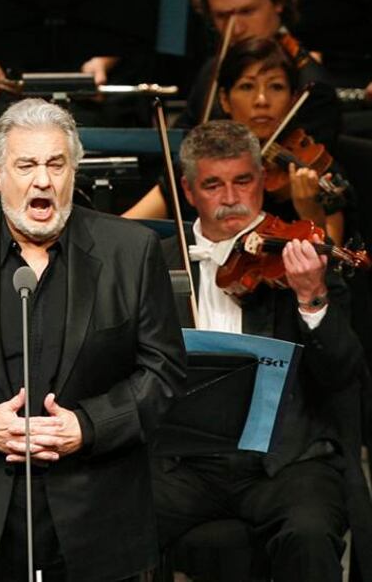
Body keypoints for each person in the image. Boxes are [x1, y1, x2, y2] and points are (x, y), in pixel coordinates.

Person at [0, 98, 186, 581]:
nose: (43, 180)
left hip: (95, 511)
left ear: (73, 172)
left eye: (56, 164)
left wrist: (88, 426)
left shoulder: (131, 250)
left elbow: (163, 372)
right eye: (26, 165)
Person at [151, 120, 371, 581]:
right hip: (184, 463)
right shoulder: (152, 264)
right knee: (107, 525)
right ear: (189, 192)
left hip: (286, 462)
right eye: (213, 184)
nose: (231, 198)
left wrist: (311, 298)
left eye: (243, 181)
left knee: (309, 533)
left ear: (262, 182)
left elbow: (343, 372)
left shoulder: (304, 253)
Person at [124, 37, 352, 245]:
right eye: (247, 86)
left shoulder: (317, 170)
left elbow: (331, 277)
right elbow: (127, 227)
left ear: (293, 99)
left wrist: (311, 214)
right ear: (224, 99)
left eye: (276, 87)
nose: (262, 100)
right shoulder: (200, 163)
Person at [176, 0, 341, 144]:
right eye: (222, 16)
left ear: (278, 1)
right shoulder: (212, 71)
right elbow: (180, 149)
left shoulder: (311, 87)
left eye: (247, 11)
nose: (235, 29)